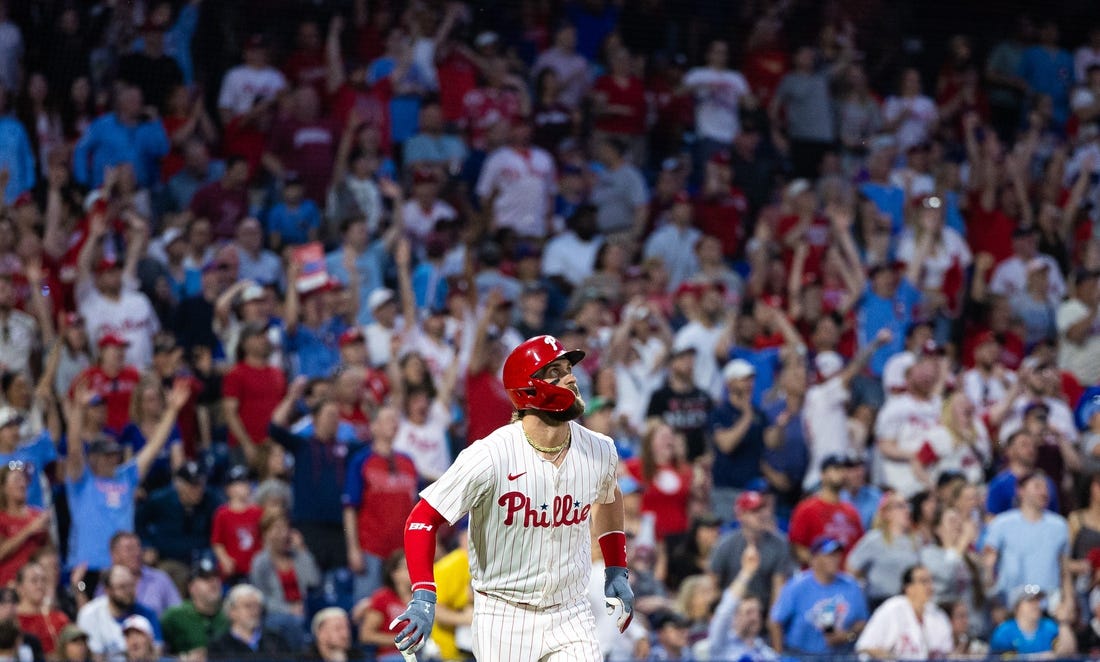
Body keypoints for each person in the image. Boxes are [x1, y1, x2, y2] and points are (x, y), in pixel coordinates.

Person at [390, 335, 634, 660]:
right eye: (556, 372)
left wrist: (616, 568)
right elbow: (422, 518)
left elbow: (609, 496)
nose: (572, 378)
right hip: (505, 617)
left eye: (569, 369)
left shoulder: (600, 449)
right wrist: (423, 593)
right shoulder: (490, 456)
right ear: (528, 389)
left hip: (570, 612)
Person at [65, 380, 190, 573]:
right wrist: (78, 410)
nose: (111, 459)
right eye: (106, 455)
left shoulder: (126, 476)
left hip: (123, 569)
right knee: (80, 592)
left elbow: (153, 447)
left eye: (114, 454)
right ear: (93, 458)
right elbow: (74, 447)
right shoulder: (81, 479)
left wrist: (172, 411)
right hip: (86, 569)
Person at [769, 536, 868, 656]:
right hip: (801, 654)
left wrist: (847, 636)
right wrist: (778, 657)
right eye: (829, 555)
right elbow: (775, 622)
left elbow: (863, 623)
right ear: (814, 559)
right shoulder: (797, 586)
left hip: (841, 655)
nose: (835, 559)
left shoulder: (851, 585)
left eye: (837, 555)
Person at [983, 470, 1069, 602]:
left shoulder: (1059, 525)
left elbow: (1064, 568)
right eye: (1037, 486)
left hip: (1049, 604)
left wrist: (1069, 601)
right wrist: (994, 602)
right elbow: (988, 564)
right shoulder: (1001, 523)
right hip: (1012, 604)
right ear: (1020, 490)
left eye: (1046, 488)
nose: (1044, 492)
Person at [709, 491, 791, 609]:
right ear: (740, 515)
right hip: (730, 610)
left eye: (763, 509)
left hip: (764, 610)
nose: (762, 515)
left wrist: (772, 621)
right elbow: (713, 584)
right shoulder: (725, 544)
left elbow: (779, 588)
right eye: (754, 511)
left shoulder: (779, 544)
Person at [855, 565, 953, 659]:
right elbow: (864, 648)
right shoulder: (891, 609)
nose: (930, 586)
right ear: (908, 588)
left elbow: (947, 653)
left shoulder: (938, 615)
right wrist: (891, 658)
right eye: (924, 581)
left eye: (931, 581)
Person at [845, 492, 921, 609]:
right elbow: (851, 568)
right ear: (886, 513)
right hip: (881, 602)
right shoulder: (874, 539)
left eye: (907, 505)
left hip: (908, 602)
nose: (907, 510)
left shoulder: (915, 541)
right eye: (900, 506)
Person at [706, 545, 780, 661]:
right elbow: (725, 611)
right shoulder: (721, 643)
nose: (755, 617)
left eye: (757, 612)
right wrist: (746, 572)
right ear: (734, 617)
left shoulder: (766, 652)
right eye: (748, 612)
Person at [788, 454, 864, 565]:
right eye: (836, 469)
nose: (841, 473)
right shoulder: (807, 509)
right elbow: (796, 546)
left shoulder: (851, 511)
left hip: (845, 577)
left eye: (844, 470)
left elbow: (859, 548)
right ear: (823, 475)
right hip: (817, 578)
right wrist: (820, 566)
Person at [76, 565, 163, 660]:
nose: (128, 591)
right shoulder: (90, 614)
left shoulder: (147, 614)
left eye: (131, 585)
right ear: (108, 590)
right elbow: (95, 657)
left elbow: (157, 652)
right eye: (122, 587)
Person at [159, 558, 227, 656]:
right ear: (192, 587)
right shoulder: (174, 616)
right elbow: (159, 651)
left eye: (216, 577)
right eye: (206, 578)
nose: (213, 582)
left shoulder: (229, 615)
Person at [990, 584, 1077, 655]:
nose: (1036, 605)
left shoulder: (1049, 627)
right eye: (1030, 601)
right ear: (1016, 607)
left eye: (1038, 600)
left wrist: (1063, 623)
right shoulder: (1004, 631)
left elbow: (1067, 653)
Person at [207, 583, 289, 659]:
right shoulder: (218, 646)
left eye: (257, 606)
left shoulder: (276, 640)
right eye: (248, 606)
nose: (254, 611)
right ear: (232, 612)